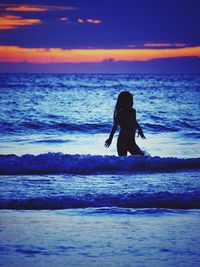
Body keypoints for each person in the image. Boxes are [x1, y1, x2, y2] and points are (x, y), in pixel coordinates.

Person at [105, 91, 145, 156]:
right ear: (123, 102)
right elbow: (114, 127)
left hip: (131, 142)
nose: (132, 102)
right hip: (122, 142)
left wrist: (140, 129)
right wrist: (110, 139)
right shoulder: (119, 113)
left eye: (132, 100)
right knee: (123, 162)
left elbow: (134, 121)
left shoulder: (132, 111)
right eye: (130, 100)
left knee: (142, 157)